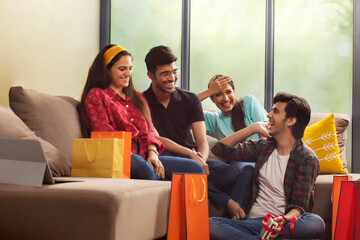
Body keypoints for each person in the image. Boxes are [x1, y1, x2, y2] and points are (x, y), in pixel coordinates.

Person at [142, 45, 247, 219]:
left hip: (191, 158)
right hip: (165, 158)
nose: (172, 78)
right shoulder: (142, 101)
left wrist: (201, 160)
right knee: (163, 171)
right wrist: (191, 158)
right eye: (165, 74)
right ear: (150, 75)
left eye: (175, 71)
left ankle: (187, 179)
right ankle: (226, 201)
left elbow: (202, 141)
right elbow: (156, 138)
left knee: (230, 173)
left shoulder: (190, 99)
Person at [79, 44, 204, 181]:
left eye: (130, 68)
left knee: (194, 168)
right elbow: (105, 135)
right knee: (142, 166)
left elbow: (149, 133)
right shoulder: (96, 95)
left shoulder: (137, 97)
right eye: (122, 69)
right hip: (120, 157)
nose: (128, 73)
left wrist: (153, 154)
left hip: (145, 154)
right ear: (106, 70)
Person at [209, 92, 325, 240]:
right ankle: (264, 237)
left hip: (282, 224)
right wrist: (252, 128)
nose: (268, 115)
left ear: (290, 121)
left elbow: (299, 205)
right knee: (210, 224)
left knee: (315, 223)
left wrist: (282, 220)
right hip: (252, 222)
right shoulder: (264, 146)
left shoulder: (306, 158)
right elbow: (220, 150)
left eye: (275, 111)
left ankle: (269, 236)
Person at [197, 74, 268, 141]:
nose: (226, 98)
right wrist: (209, 91)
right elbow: (186, 106)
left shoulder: (248, 103)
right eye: (219, 94)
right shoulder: (212, 119)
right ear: (212, 99)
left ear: (234, 92)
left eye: (229, 92)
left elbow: (267, 133)